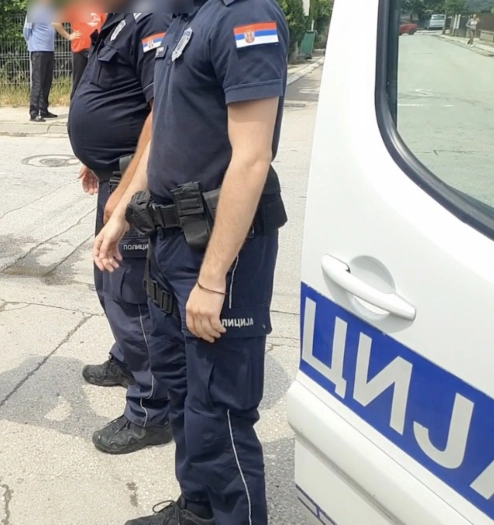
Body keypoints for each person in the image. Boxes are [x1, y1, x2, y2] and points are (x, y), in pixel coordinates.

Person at [96, 0, 290, 523]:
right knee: (182, 392)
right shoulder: (183, 20)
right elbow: (161, 134)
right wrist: (122, 214)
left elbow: (252, 158)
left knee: (219, 410)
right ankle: (198, 510)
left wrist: (212, 279)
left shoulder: (245, 15)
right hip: (169, 242)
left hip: (219, 249)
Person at [69, 6, 175, 454]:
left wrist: (129, 185)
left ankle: (151, 410)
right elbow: (116, 101)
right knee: (108, 283)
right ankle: (127, 360)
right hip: (113, 176)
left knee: (130, 295)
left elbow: (159, 114)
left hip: (132, 186)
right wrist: (94, 157)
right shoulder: (117, 23)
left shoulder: (151, 20)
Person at [56, 5, 105, 97]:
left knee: (95, 82)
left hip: (95, 50)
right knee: (78, 82)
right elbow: (56, 22)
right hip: (79, 50)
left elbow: (105, 24)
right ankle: (75, 104)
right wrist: (68, 36)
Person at [24, 0, 60, 122]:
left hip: (49, 49)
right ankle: (34, 112)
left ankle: (43, 109)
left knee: (47, 81)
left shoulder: (51, 10)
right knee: (38, 82)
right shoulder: (34, 10)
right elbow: (26, 30)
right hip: (38, 50)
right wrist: (31, 44)